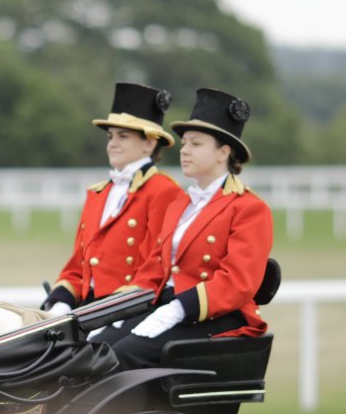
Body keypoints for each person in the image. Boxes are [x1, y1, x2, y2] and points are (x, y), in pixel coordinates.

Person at [99, 88, 273, 370]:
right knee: (94, 349)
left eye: (196, 143)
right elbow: (155, 267)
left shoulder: (249, 208)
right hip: (166, 305)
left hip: (215, 314)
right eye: (184, 143)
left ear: (223, 152)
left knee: (124, 355)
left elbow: (238, 283)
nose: (184, 150)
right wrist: (116, 309)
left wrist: (180, 309)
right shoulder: (181, 202)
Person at [43, 82, 183, 315]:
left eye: (123, 136)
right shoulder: (97, 193)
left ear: (149, 143)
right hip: (87, 307)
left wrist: (114, 311)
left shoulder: (163, 191)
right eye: (110, 136)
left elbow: (155, 266)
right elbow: (79, 265)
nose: (112, 144)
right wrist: (62, 302)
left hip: (129, 309)